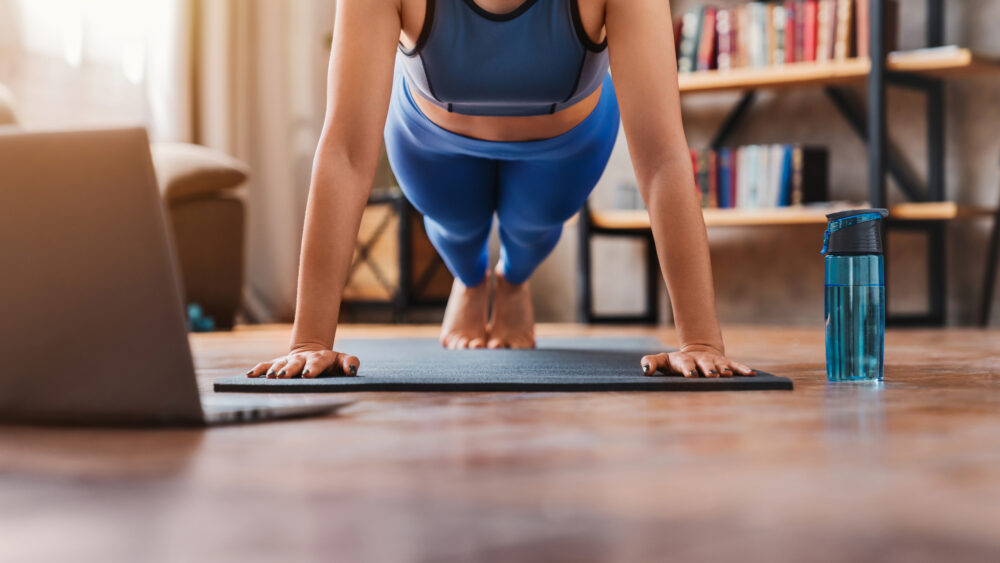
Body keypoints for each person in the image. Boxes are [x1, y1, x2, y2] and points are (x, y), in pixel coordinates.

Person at [247, 0, 756, 380]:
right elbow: (345, 154)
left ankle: (512, 279)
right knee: (455, 226)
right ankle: (470, 278)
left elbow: (664, 158)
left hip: (568, 141)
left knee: (532, 228)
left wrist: (701, 340)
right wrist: (309, 340)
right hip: (431, 140)